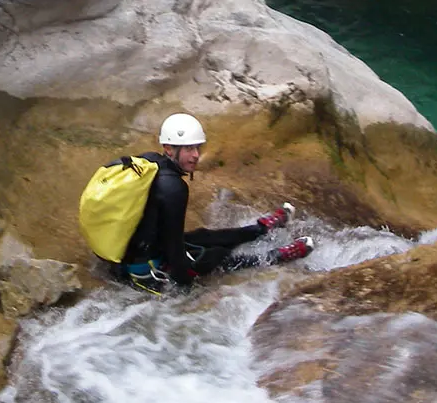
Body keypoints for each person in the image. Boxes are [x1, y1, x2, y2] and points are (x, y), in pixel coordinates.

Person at [118, 113, 314, 294]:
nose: (196, 155)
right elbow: (175, 252)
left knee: (203, 236)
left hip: (136, 252)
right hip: (145, 269)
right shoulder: (173, 188)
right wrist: (186, 286)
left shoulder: (149, 161)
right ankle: (277, 256)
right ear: (168, 149)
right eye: (188, 148)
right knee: (216, 255)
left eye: (197, 147)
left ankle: (259, 230)